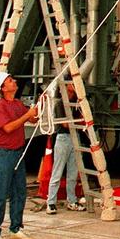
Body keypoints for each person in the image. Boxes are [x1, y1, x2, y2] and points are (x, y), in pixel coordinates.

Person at [0, 72, 38, 239]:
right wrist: (27, 115)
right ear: (3, 88)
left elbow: (32, 119)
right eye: (9, 80)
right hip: (3, 153)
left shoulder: (17, 104)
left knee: (19, 192)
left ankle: (15, 229)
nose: (13, 81)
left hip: (17, 152)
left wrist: (37, 109)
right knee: (1, 193)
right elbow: (8, 128)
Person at [47, 84, 86, 215]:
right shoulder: (60, 104)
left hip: (74, 137)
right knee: (57, 171)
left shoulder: (75, 105)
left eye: (72, 91)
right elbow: (65, 124)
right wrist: (78, 122)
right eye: (68, 91)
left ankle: (72, 200)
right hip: (63, 138)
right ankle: (51, 202)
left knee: (73, 173)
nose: (70, 93)